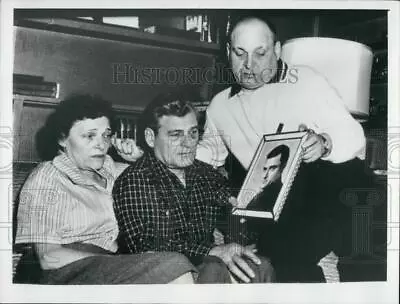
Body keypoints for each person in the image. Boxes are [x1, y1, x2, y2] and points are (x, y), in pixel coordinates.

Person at [195, 15, 366, 282]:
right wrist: (161, 152)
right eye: (239, 54)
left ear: (276, 50)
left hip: (323, 193)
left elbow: (354, 135)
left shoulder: (306, 80)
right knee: (281, 253)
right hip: (274, 206)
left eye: (260, 54)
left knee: (363, 197)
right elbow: (208, 152)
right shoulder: (219, 105)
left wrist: (325, 143)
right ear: (228, 52)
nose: (248, 65)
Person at [14, 94, 196, 284]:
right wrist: (126, 262)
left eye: (106, 135)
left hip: (110, 267)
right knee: (174, 264)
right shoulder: (48, 176)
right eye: (89, 136)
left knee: (210, 266)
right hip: (61, 274)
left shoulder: (116, 171)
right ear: (62, 138)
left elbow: (174, 195)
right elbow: (48, 258)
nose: (101, 144)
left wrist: (142, 159)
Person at [112, 91, 275, 284]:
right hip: (155, 275)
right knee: (213, 267)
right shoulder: (134, 180)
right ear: (150, 137)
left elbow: (234, 225)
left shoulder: (206, 175)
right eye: (175, 135)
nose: (188, 143)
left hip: (206, 266)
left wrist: (244, 216)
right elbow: (146, 245)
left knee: (261, 264)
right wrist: (213, 251)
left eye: (193, 133)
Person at [246, 145, 290, 211]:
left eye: (272, 168)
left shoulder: (281, 197)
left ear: (283, 167)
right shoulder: (261, 196)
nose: (265, 176)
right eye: (265, 169)